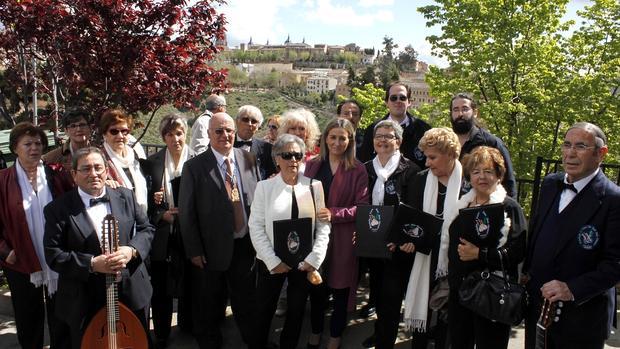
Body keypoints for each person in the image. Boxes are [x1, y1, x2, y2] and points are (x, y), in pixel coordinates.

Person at [43, 146, 154, 349]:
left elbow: (147, 229)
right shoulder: (57, 209)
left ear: (106, 170)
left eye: (98, 167)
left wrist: (131, 250)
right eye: (86, 169)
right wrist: (92, 264)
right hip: (85, 298)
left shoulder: (126, 196)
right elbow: (53, 254)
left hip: (130, 291)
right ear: (74, 175)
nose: (93, 174)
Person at [523, 122, 620, 349]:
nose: (570, 153)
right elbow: (537, 233)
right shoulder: (550, 184)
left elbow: (615, 264)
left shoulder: (613, 200)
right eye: (567, 145)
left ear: (601, 153)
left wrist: (571, 289)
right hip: (538, 310)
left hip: (582, 319)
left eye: (580, 146)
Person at [370, 128, 461, 349]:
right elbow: (410, 218)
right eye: (426, 157)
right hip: (418, 258)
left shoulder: (468, 182)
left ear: (450, 153)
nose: (427, 163)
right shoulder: (420, 180)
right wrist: (406, 239)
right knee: (407, 311)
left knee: (445, 320)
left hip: (450, 262)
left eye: (432, 157)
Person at [179, 112, 260, 349]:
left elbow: (254, 199)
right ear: (208, 133)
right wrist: (194, 250)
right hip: (210, 249)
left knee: (246, 301)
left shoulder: (248, 159)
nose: (225, 135)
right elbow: (187, 213)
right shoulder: (194, 167)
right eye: (219, 131)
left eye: (229, 131)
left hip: (245, 244)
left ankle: (253, 341)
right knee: (210, 303)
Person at [249, 133, 331, 349]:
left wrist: (315, 258)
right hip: (271, 263)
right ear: (277, 158)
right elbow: (255, 226)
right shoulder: (264, 188)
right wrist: (272, 261)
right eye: (287, 155)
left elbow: (323, 226)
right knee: (263, 312)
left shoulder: (315, 186)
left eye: (297, 155)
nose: (293, 160)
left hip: (304, 263)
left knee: (295, 313)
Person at [0, 122, 73, 349]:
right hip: (20, 260)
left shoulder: (56, 176)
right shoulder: (2, 180)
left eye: (38, 143)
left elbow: (71, 211)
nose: (34, 148)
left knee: (61, 317)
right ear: (15, 148)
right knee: (28, 318)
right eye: (27, 144)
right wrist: (5, 251)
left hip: (56, 257)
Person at [444, 146, 526, 349]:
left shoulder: (509, 208)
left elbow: (517, 252)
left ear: (499, 175)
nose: (482, 177)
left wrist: (479, 254)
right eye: (476, 171)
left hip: (492, 292)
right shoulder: (461, 206)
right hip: (461, 292)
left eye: (488, 171)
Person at [305, 118, 369, 349]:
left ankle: (335, 336)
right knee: (317, 288)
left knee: (340, 289)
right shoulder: (312, 165)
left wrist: (334, 213)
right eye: (333, 137)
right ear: (325, 138)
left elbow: (362, 207)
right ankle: (314, 332)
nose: (337, 142)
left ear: (350, 141)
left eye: (343, 138)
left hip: (343, 237)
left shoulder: (358, 169)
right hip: (315, 236)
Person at [360, 120, 421, 348]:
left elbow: (413, 210)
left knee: (392, 297)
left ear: (399, 141)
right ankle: (379, 333)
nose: (383, 140)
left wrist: (399, 238)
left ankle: (386, 341)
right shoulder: (365, 169)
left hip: (397, 247)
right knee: (376, 292)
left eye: (389, 136)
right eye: (379, 136)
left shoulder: (411, 170)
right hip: (373, 244)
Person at [144, 113, 195, 348]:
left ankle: (187, 325)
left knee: (190, 281)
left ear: (186, 134)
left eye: (180, 133)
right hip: (163, 233)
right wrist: (160, 213)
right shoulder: (152, 162)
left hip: (190, 232)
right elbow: (142, 202)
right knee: (161, 285)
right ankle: (162, 332)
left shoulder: (196, 161)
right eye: (170, 134)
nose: (175, 138)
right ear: (163, 137)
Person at [449, 93, 517, 197]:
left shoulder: (491, 143)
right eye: (456, 110)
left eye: (465, 109)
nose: (460, 114)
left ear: (475, 112)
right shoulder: (446, 143)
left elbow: (509, 182)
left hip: (483, 207)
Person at [359, 82, 431, 168]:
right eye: (393, 98)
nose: (398, 101)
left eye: (402, 98)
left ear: (409, 102)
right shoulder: (372, 129)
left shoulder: (424, 130)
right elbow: (364, 161)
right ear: (386, 102)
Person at [99, 108, 149, 214]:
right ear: (104, 133)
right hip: (115, 220)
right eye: (114, 131)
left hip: (141, 217)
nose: (120, 136)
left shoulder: (134, 155)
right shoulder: (99, 158)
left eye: (124, 131)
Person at [234, 105, 277, 180]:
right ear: (237, 121)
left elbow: (271, 176)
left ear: (258, 127)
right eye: (245, 119)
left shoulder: (267, 149)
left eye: (253, 121)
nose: (249, 124)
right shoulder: (224, 144)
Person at [43, 108, 92, 172]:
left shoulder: (100, 154)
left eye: (82, 125)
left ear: (90, 128)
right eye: (73, 126)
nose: (78, 129)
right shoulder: (50, 159)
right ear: (66, 131)